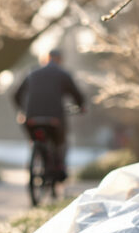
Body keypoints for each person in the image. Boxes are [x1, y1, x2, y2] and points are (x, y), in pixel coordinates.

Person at [13, 49, 85, 182]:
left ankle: (36, 156)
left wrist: (23, 110)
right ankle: (59, 166)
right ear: (60, 60)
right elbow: (77, 95)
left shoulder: (32, 73)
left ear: (45, 59)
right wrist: (81, 107)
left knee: (35, 139)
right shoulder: (63, 74)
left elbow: (16, 95)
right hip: (55, 118)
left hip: (31, 118)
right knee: (60, 142)